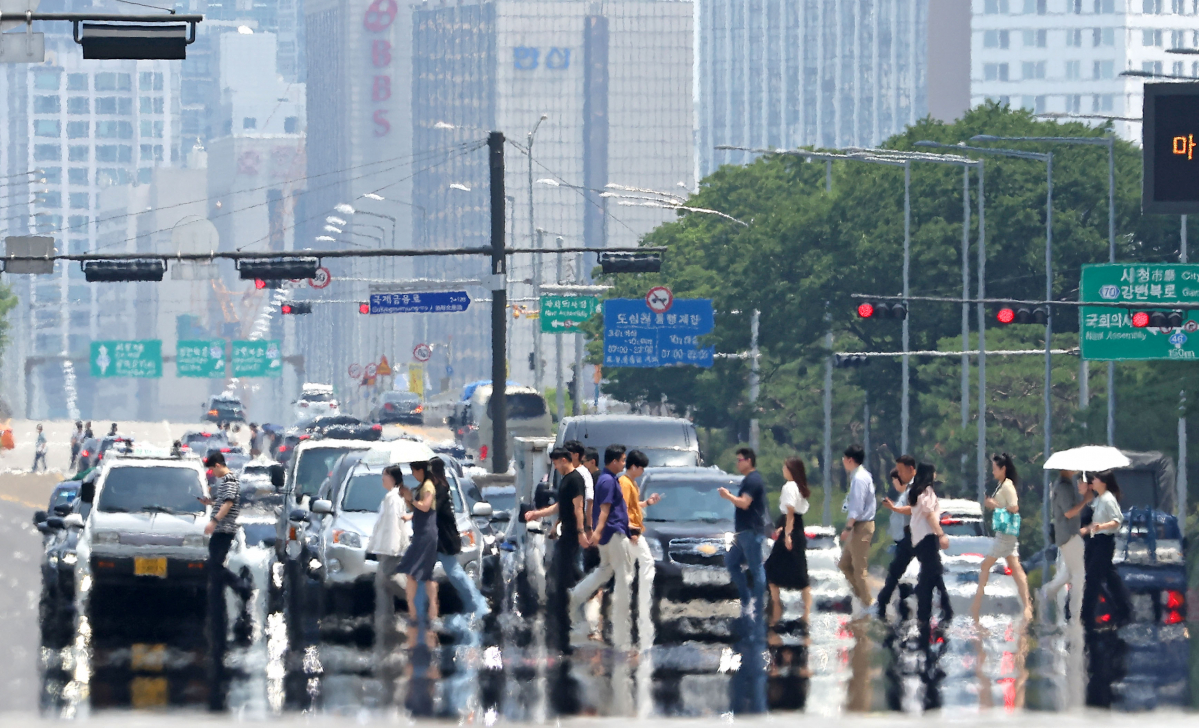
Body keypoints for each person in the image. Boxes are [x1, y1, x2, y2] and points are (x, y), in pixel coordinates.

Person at [570, 445, 634, 650]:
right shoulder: (607, 481)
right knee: (625, 576)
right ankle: (623, 626)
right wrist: (597, 532)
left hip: (611, 533)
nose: (624, 465)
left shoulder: (607, 479)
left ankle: (575, 596)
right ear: (614, 461)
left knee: (605, 571)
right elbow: (605, 509)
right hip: (613, 534)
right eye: (623, 461)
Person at [524, 448, 587, 652]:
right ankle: (561, 621)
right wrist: (538, 515)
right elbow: (562, 507)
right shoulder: (566, 480)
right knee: (558, 575)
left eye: (556, 464)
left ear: (563, 460)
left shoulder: (575, 479)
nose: (556, 468)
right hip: (565, 532)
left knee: (562, 578)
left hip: (571, 535)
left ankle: (567, 624)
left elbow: (578, 508)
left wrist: (580, 531)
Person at [972, 453, 1032, 621]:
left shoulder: (1007, 486)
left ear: (1003, 469)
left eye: (995, 468)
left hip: (1005, 536)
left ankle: (977, 603)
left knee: (986, 565)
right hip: (1005, 534)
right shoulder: (1002, 485)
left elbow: (1013, 507)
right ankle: (1027, 605)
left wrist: (995, 506)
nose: (993, 472)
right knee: (1016, 568)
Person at [430, 457, 490, 618]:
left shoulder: (440, 490)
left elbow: (434, 512)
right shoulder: (441, 488)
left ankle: (478, 604)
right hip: (439, 539)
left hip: (444, 539)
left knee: (455, 573)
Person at [719, 447, 770, 622]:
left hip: (751, 530)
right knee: (731, 562)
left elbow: (744, 503)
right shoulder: (747, 480)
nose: (737, 463)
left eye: (740, 460)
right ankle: (746, 598)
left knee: (756, 568)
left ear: (749, 461)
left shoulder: (753, 480)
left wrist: (728, 496)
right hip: (742, 532)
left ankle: (759, 604)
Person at [619, 449, 662, 648]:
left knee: (629, 569)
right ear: (634, 466)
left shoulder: (631, 483)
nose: (642, 471)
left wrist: (648, 503)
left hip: (633, 530)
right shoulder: (625, 483)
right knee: (646, 562)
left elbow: (633, 506)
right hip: (631, 531)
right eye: (641, 467)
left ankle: (629, 603)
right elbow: (622, 509)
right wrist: (631, 531)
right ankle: (643, 602)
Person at [367, 464, 411, 647]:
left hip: (391, 549)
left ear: (392, 478)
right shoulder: (391, 497)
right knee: (381, 582)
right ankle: (385, 621)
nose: (382, 479)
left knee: (388, 578)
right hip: (384, 549)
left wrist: (392, 547)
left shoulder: (393, 498)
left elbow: (393, 524)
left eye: (384, 475)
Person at [1080, 470, 1131, 628]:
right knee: (1111, 578)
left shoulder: (1109, 499)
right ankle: (1123, 611)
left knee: (1093, 580)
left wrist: (1100, 526)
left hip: (1104, 542)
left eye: (1095, 479)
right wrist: (1087, 530)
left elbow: (1117, 521)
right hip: (1095, 542)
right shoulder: (1099, 499)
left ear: (1103, 482)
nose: (1092, 482)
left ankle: (1085, 616)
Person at [201, 451, 253, 604]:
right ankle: (218, 596)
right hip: (221, 528)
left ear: (218, 466)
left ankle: (241, 586)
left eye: (212, 469)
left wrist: (214, 521)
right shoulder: (225, 481)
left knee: (214, 564)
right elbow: (223, 501)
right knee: (215, 565)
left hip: (224, 529)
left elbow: (228, 503)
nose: (212, 473)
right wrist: (210, 503)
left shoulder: (229, 480)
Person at [765, 457, 812, 624]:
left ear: (790, 470)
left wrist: (787, 534)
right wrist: (783, 527)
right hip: (797, 527)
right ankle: (804, 611)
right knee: (799, 571)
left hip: (792, 530)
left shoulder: (789, 487)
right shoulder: (799, 487)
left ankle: (777, 604)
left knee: (771, 568)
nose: (783, 470)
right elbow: (791, 515)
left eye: (785, 467)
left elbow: (790, 512)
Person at [1040, 470, 1091, 624]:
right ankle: (1076, 615)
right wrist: (1085, 500)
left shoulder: (1067, 486)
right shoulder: (1063, 488)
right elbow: (1068, 513)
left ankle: (1045, 593)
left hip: (1069, 534)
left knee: (1067, 574)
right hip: (1069, 536)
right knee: (1078, 575)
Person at [397, 460, 439, 648]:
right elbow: (417, 509)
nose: (413, 475)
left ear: (420, 470)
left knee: (414, 573)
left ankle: (420, 616)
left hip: (426, 535)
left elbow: (426, 506)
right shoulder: (422, 486)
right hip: (421, 534)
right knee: (418, 574)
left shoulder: (428, 485)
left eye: (414, 471)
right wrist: (407, 498)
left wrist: (411, 499)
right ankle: (423, 615)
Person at [908, 463, 951, 627]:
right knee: (929, 576)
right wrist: (941, 535)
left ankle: (946, 609)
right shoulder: (927, 491)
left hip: (919, 538)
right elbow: (930, 516)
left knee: (935, 573)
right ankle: (924, 613)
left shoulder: (916, 491)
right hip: (927, 538)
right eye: (933, 472)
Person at [838, 444, 876, 619]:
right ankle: (863, 598)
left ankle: (869, 604)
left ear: (850, 460)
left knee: (859, 569)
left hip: (861, 526)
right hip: (858, 526)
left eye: (844, 459)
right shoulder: (859, 476)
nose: (843, 462)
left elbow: (856, 507)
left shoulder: (860, 479)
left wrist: (847, 528)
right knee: (844, 564)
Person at [877, 458, 916, 620]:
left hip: (909, 538)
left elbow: (912, 510)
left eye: (900, 472)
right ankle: (897, 600)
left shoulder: (913, 490)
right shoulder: (906, 492)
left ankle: (882, 603)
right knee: (899, 572)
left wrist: (894, 508)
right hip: (904, 539)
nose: (897, 478)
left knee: (896, 572)